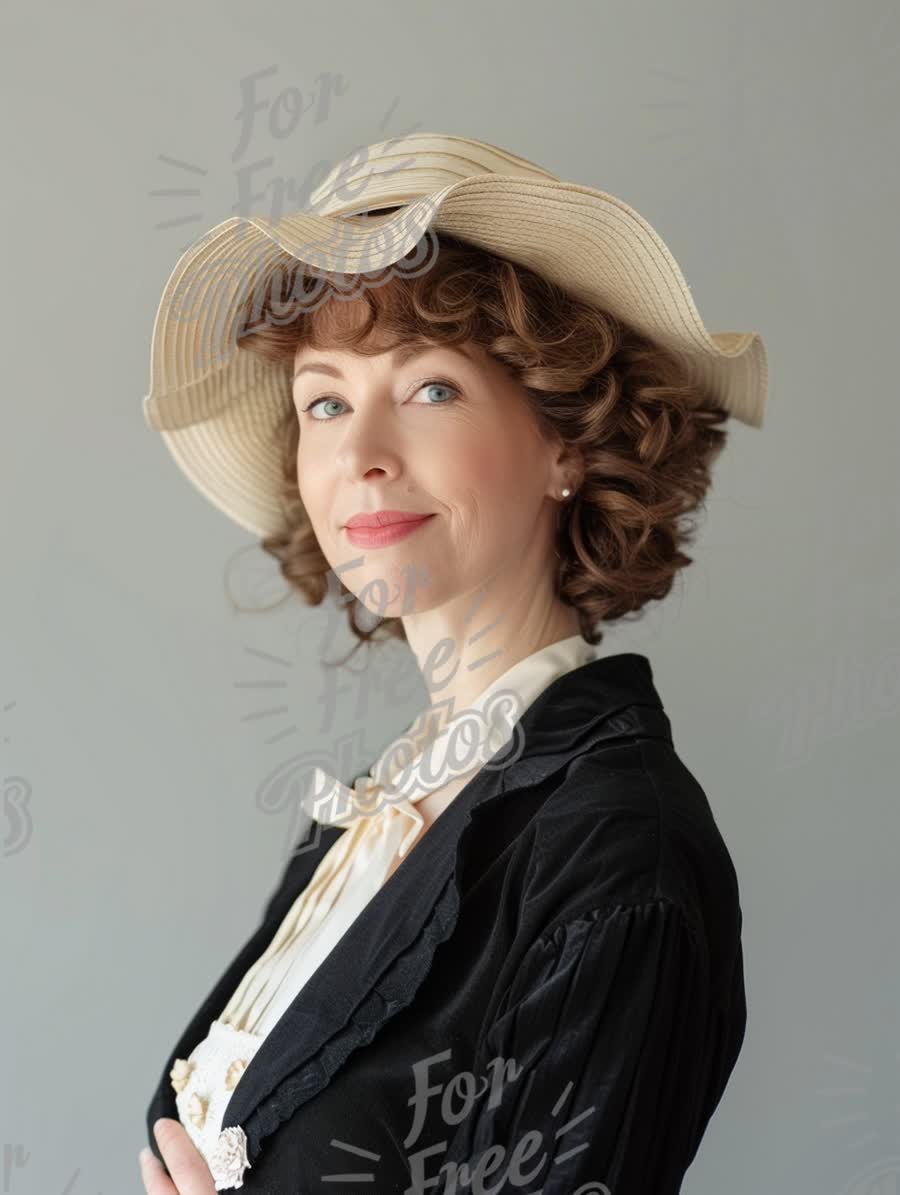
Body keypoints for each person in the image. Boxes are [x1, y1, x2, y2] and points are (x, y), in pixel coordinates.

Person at [138, 132, 767, 1194]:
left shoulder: (615, 850)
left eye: (430, 389)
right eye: (325, 401)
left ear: (567, 437)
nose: (360, 454)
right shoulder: (379, 810)